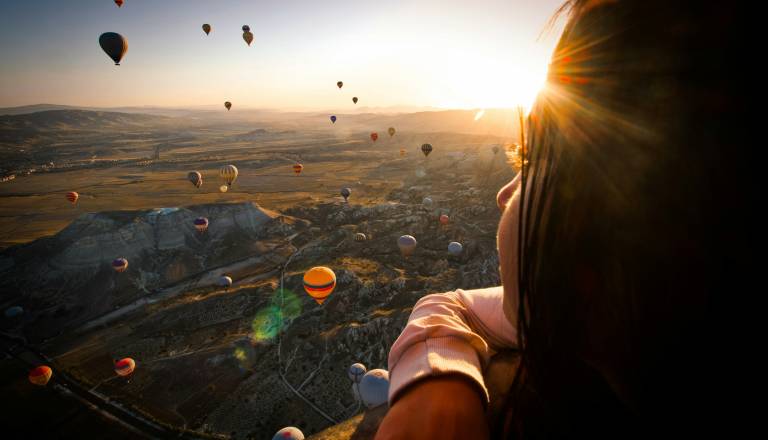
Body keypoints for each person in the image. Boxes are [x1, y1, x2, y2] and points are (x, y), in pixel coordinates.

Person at [375, 0, 748, 438]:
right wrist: (440, 386)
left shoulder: (600, 309)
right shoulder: (612, 318)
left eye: (533, 157)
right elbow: (454, 305)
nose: (503, 192)